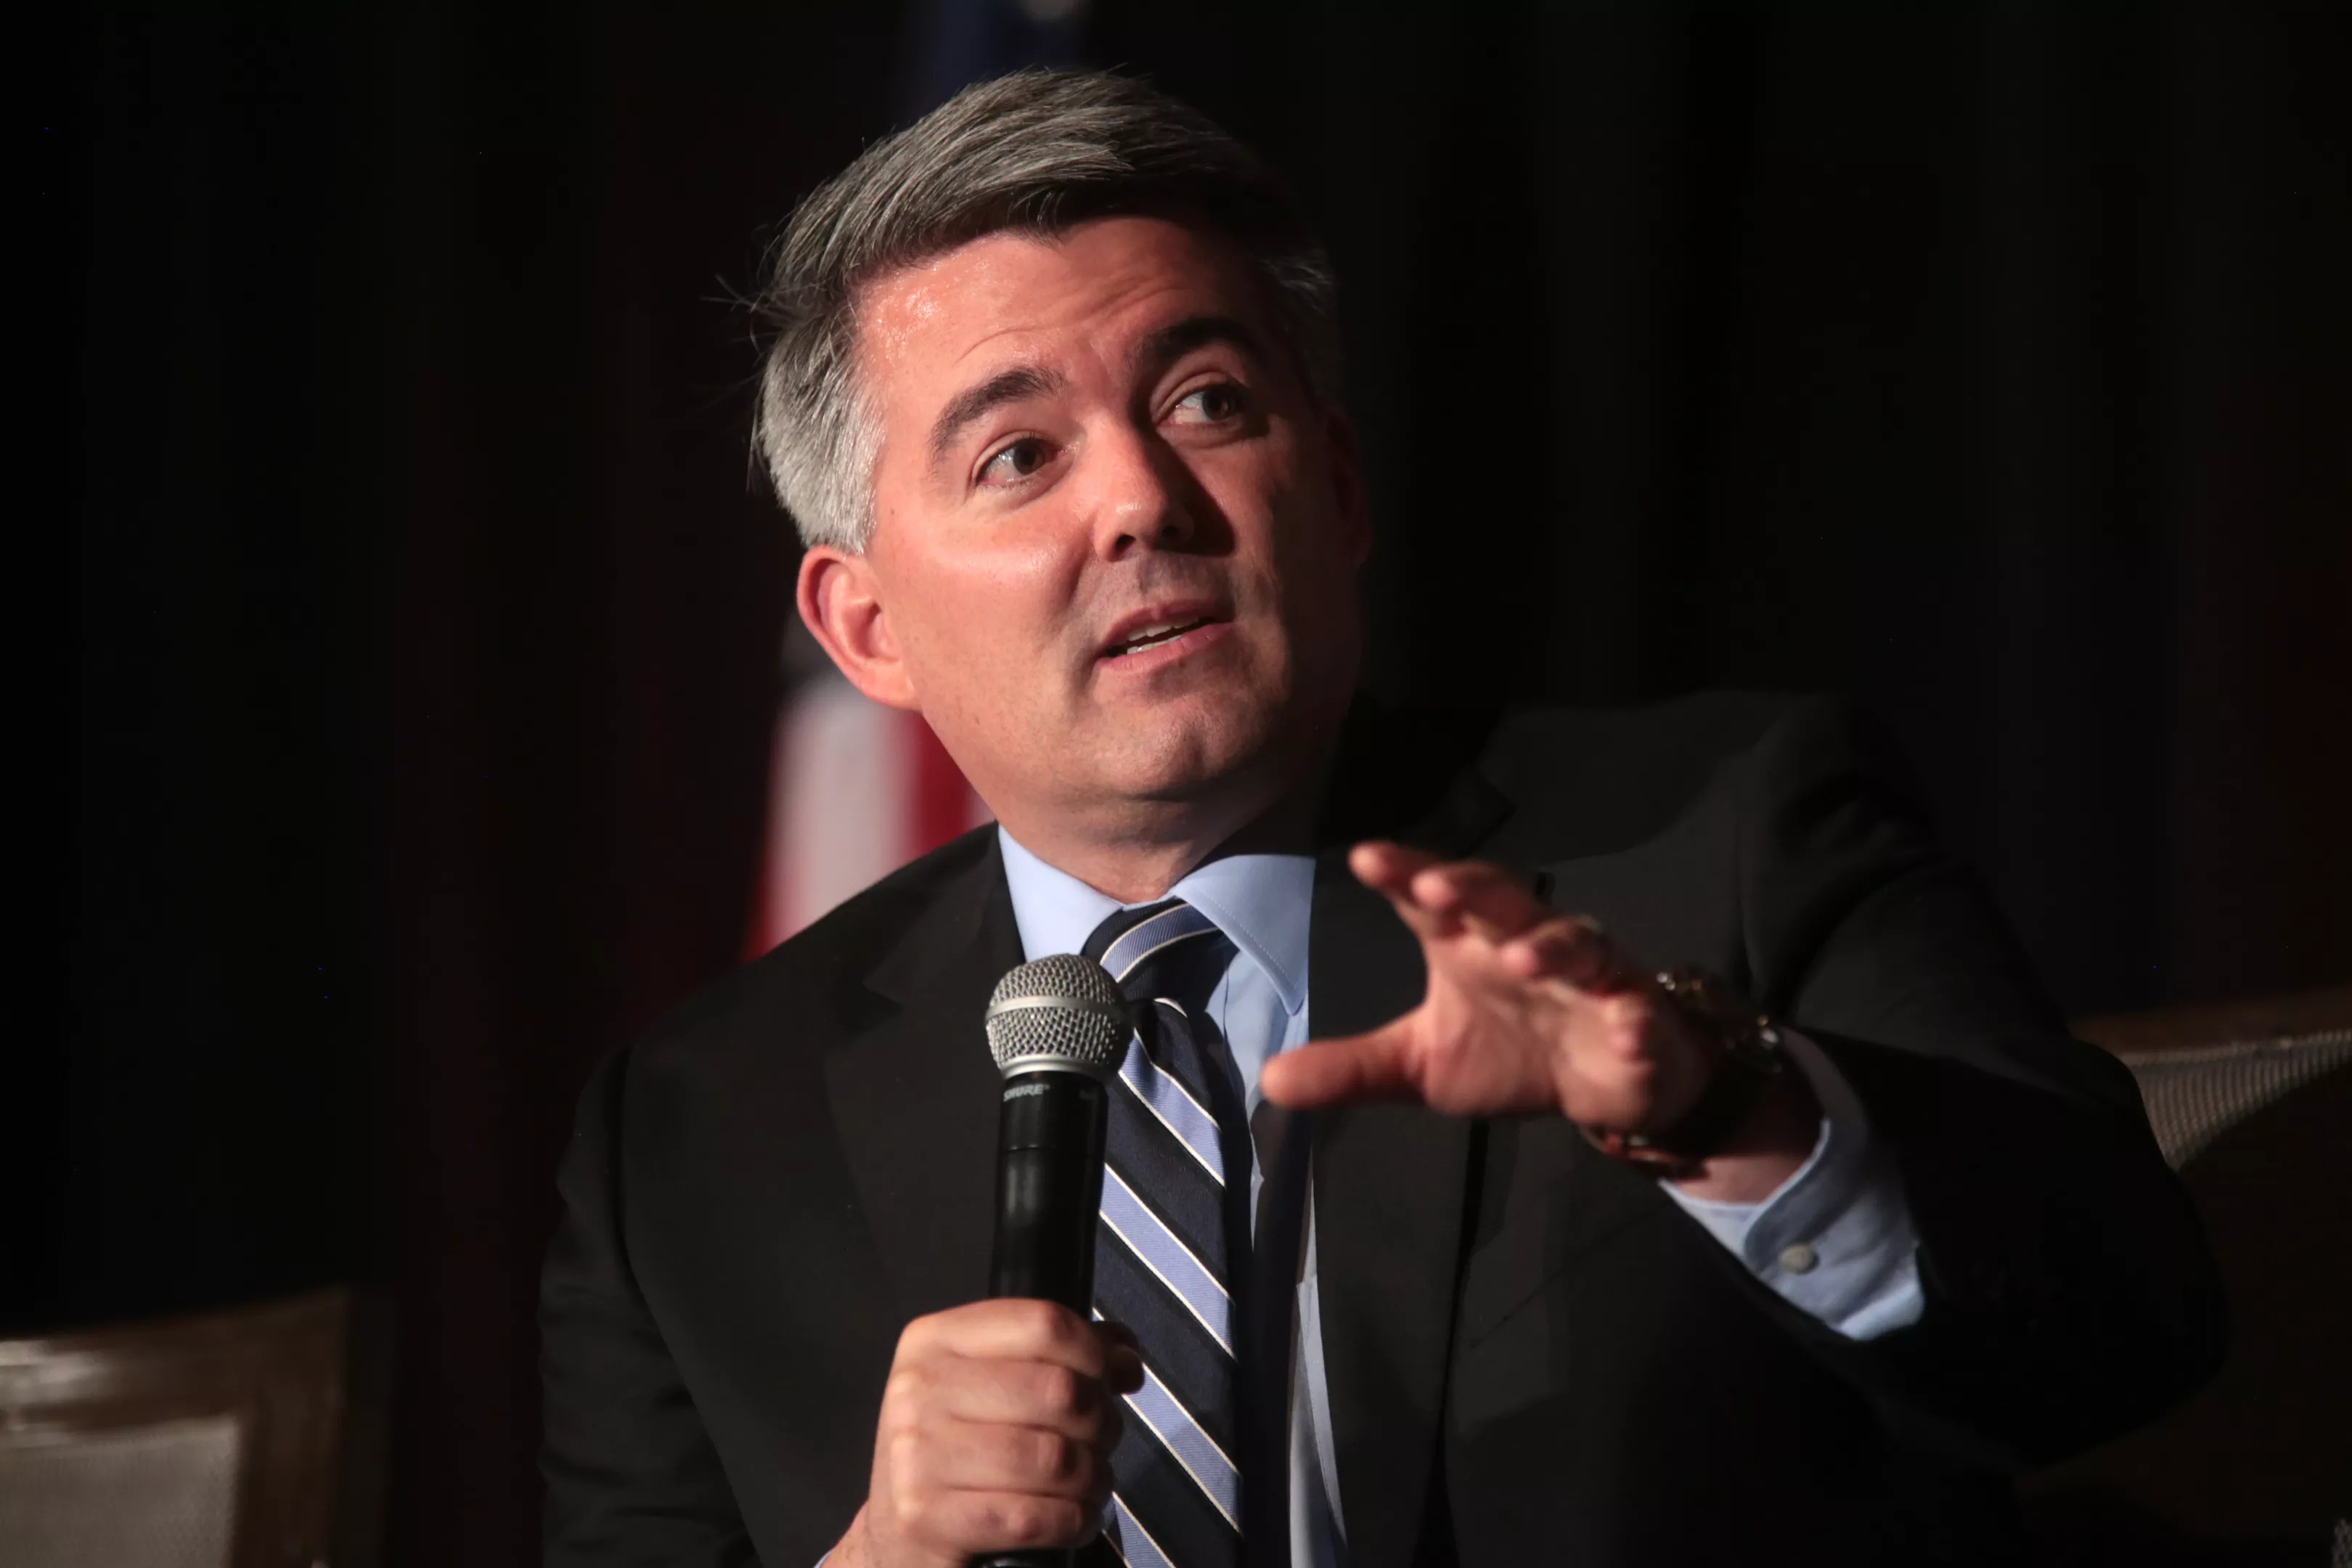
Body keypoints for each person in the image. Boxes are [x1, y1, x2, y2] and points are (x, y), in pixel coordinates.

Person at [541, 70, 2221, 1568]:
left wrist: (1724, 1104)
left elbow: (2124, 1339)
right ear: (866, 629)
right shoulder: (693, 1140)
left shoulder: (1721, 842)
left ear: (1337, 488)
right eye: (1020, 457)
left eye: (1207, 400)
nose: (1141, 498)